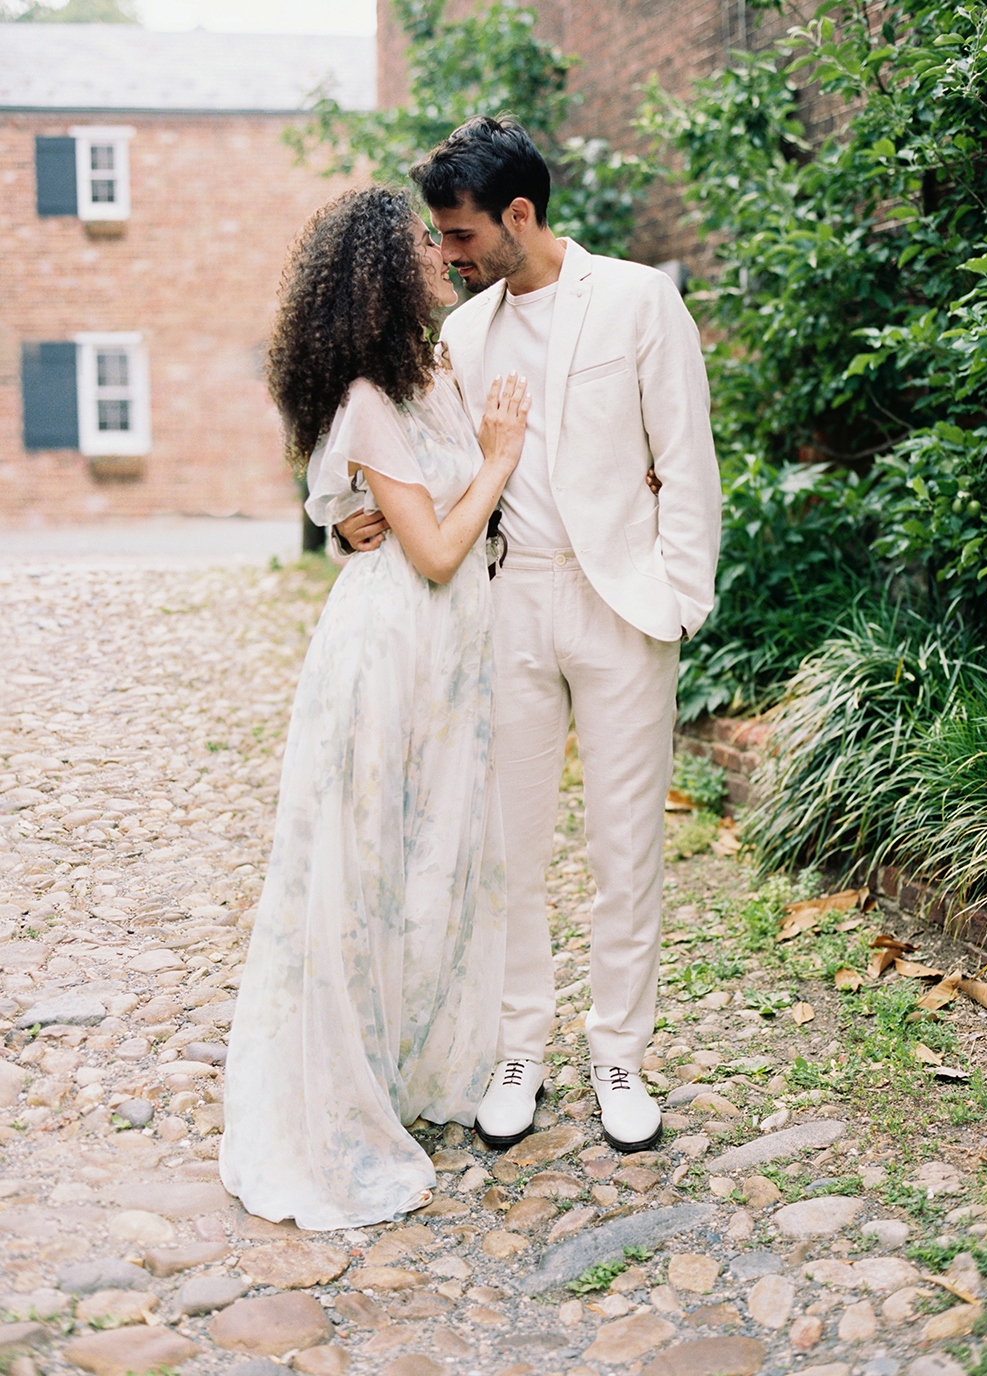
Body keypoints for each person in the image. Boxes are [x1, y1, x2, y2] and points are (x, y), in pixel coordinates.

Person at [339, 117, 722, 1155]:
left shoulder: (640, 299)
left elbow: (686, 459)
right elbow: (404, 453)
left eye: (460, 235)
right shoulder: (461, 337)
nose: (448, 254)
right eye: (440, 237)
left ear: (519, 214)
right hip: (503, 607)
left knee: (623, 846)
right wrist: (345, 517)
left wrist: (679, 597)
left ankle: (619, 1056)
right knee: (506, 847)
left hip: (622, 608)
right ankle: (519, 1045)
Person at [219, 186, 529, 1230]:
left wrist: (406, 497)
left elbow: (409, 520)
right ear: (379, 275)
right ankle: (341, 1094)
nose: (438, 254)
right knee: (360, 870)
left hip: (447, 661)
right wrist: (495, 460)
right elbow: (436, 551)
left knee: (431, 858)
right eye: (417, 246)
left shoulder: (430, 374)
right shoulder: (363, 397)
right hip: (389, 647)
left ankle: (406, 1062)